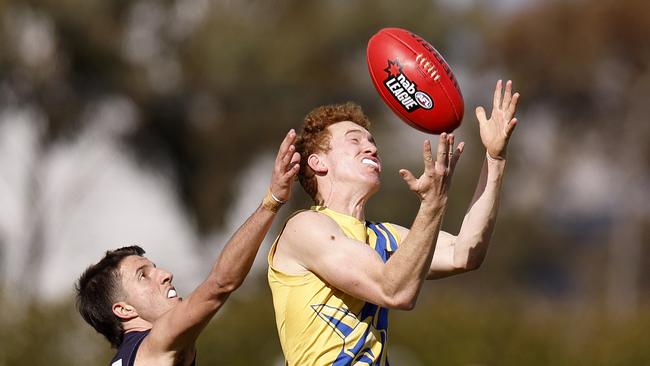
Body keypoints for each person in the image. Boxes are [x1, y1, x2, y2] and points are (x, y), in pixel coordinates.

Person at [268, 80, 520, 365]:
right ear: (317, 163)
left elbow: (465, 254)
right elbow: (394, 291)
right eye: (355, 140)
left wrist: (495, 158)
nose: (371, 148)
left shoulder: (384, 236)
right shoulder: (305, 227)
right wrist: (432, 204)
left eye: (371, 142)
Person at [75, 129, 301, 366]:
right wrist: (272, 201)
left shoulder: (131, 358)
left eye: (154, 268)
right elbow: (220, 284)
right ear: (124, 310)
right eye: (143, 275)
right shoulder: (156, 343)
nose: (165, 274)